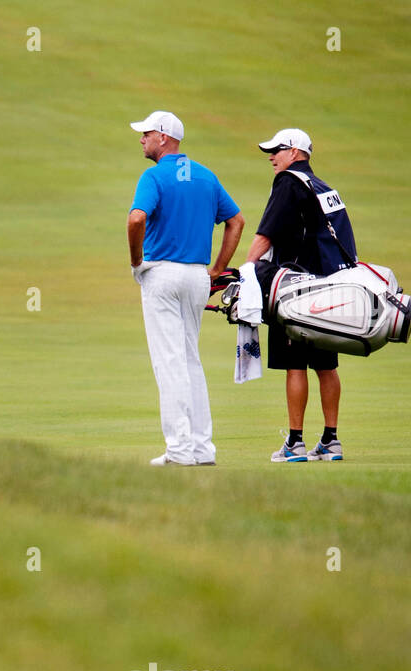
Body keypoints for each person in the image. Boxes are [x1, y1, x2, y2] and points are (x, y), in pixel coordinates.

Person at [127, 110, 245, 466]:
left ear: (163, 138)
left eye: (146, 133)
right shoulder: (207, 176)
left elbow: (136, 217)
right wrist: (219, 269)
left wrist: (136, 262)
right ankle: (201, 448)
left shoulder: (153, 176)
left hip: (161, 273)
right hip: (197, 277)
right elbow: (236, 221)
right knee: (190, 360)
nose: (141, 139)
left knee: (170, 362)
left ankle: (179, 450)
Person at [244, 128, 356, 462]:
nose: (271, 156)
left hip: (295, 290)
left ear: (295, 152)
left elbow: (267, 234)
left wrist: (247, 269)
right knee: (326, 365)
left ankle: (295, 443)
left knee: (295, 365)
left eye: (277, 150)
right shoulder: (322, 186)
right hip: (330, 288)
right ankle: (331, 440)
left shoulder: (289, 182)